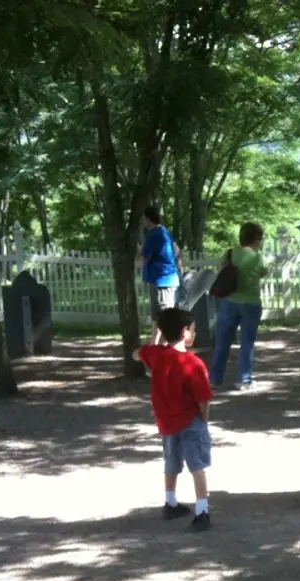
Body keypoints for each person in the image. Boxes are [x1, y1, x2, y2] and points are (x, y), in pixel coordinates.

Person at [133, 307, 214, 532]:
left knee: (171, 462)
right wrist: (204, 421)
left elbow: (137, 354)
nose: (194, 333)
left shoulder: (156, 355)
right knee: (197, 466)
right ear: (185, 331)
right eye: (193, 329)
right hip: (189, 420)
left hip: (166, 421)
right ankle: (202, 510)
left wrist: (156, 335)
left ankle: (170, 502)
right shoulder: (192, 363)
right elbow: (203, 399)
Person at [210, 222, 268, 387]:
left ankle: (215, 379)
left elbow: (220, 270)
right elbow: (263, 272)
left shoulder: (229, 253)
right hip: (251, 303)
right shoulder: (257, 256)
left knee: (222, 341)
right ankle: (244, 380)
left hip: (229, 302)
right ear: (256, 239)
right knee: (247, 343)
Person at [139, 207, 182, 345]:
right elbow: (176, 250)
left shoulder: (154, 235)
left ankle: (162, 347)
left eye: (143, 219)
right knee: (159, 316)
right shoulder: (164, 232)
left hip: (163, 281)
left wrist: (139, 250)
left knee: (164, 317)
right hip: (165, 280)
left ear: (148, 219)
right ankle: (155, 344)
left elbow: (144, 258)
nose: (143, 222)